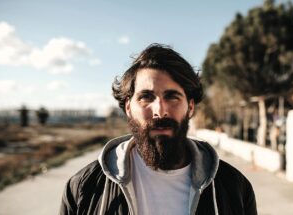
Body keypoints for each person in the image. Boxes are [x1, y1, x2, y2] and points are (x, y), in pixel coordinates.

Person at [60, 44, 257, 215]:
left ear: (190, 107)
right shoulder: (83, 188)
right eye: (146, 97)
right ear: (128, 107)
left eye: (172, 96)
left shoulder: (235, 188)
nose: (160, 111)